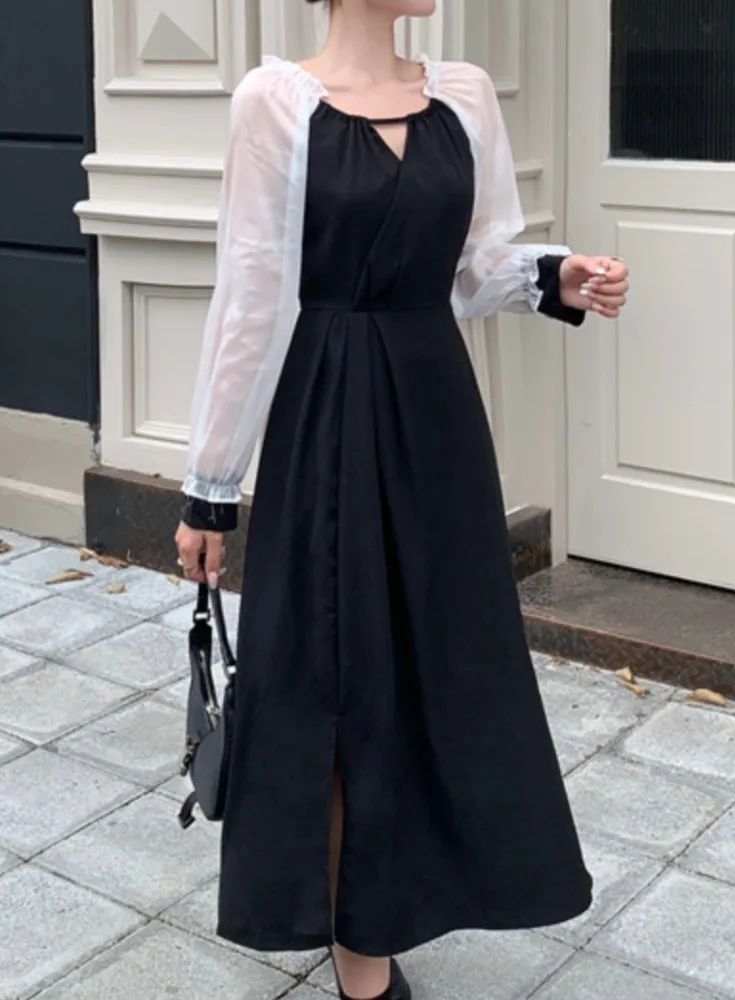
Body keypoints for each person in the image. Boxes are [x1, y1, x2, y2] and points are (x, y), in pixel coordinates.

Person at [175, 1, 629, 998]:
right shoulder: (274, 103)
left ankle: (406, 895)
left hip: (435, 421)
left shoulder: (464, 96)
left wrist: (554, 275)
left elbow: (473, 266)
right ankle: (362, 953)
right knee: (337, 676)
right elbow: (251, 295)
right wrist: (211, 489)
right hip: (325, 417)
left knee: (443, 670)